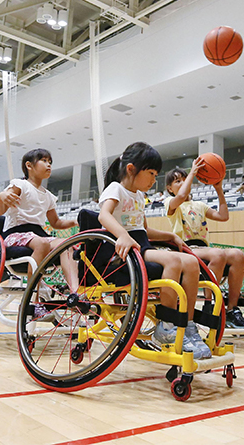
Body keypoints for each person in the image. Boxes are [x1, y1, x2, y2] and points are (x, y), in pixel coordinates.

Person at [98, 142, 211, 358]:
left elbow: (145, 230)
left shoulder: (140, 196)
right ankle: (166, 326)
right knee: (174, 261)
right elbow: (104, 216)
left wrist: (170, 235)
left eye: (155, 174)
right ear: (131, 169)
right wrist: (122, 235)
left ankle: (186, 324)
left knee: (191, 262)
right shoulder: (116, 188)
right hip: (120, 253)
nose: (153, 179)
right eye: (150, 173)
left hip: (140, 246)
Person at [163, 162, 244, 329]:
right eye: (178, 181)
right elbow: (181, 196)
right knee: (218, 254)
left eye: (184, 179)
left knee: (238, 255)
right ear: (169, 188)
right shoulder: (170, 202)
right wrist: (191, 173)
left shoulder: (200, 206)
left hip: (204, 249)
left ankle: (232, 310)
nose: (183, 183)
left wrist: (218, 189)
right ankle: (210, 305)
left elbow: (223, 216)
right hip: (185, 250)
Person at [0, 148, 79, 291]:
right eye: (44, 161)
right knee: (42, 243)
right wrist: (1, 196)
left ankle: (75, 292)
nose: (49, 165)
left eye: (50, 162)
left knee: (66, 245)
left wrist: (74, 222)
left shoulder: (49, 196)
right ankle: (33, 294)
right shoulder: (20, 185)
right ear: (29, 166)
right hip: (14, 234)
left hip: (38, 234)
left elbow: (56, 223)